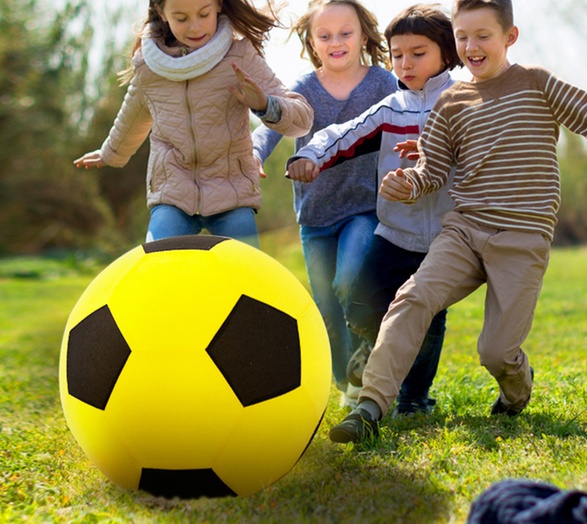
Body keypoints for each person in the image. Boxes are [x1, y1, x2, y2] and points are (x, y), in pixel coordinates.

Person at [328, 0, 587, 444]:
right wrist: (409, 184)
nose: (471, 46)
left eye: (483, 35)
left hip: (522, 235)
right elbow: (433, 171)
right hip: (463, 231)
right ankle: (370, 407)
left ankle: (516, 390)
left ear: (509, 37)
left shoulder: (534, 83)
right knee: (412, 297)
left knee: (495, 352)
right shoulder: (452, 102)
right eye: (463, 37)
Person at [285, 4, 463, 416]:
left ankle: (414, 398)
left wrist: (436, 152)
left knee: (426, 315)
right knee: (361, 304)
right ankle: (373, 349)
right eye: (397, 54)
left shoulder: (461, 103)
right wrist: (310, 154)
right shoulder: (392, 107)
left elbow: (482, 151)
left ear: (446, 54)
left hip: (445, 235)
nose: (405, 63)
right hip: (394, 231)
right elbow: (343, 134)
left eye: (418, 54)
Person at [73, 0, 313, 248]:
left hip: (232, 192)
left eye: (203, 14)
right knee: (160, 266)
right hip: (173, 193)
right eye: (181, 18)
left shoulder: (239, 55)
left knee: (244, 279)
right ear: (160, 12)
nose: (195, 27)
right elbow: (132, 118)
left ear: (218, 5)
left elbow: (302, 120)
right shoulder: (149, 66)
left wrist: (266, 104)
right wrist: (109, 153)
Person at [251, 0, 396, 407]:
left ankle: (368, 371)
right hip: (315, 215)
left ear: (363, 36)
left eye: (345, 33)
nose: (336, 42)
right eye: (325, 35)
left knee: (350, 281)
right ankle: (345, 382)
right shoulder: (304, 90)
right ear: (312, 43)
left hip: (365, 207)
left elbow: (411, 116)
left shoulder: (383, 83)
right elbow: (270, 129)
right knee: (327, 307)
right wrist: (253, 155)